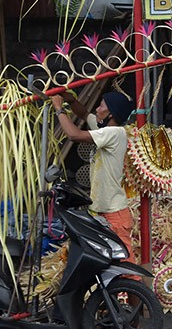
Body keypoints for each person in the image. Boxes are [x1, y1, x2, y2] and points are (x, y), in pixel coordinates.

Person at [50, 90, 137, 267]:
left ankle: (139, 295)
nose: (97, 109)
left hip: (114, 213)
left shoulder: (114, 133)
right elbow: (83, 113)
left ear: (111, 113)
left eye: (102, 105)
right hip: (102, 211)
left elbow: (74, 135)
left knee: (126, 270)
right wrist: (71, 99)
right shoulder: (104, 129)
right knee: (105, 265)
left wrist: (59, 108)